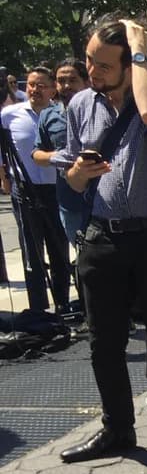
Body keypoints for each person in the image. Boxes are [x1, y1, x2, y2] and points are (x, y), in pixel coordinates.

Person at [55, 16, 147, 474]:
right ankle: (117, 427)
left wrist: (139, 50)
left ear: (130, 65)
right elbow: (71, 179)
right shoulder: (79, 105)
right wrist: (80, 174)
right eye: (90, 61)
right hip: (102, 237)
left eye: (103, 64)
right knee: (103, 343)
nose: (92, 70)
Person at [1, 66, 74, 314]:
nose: (35, 90)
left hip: (57, 189)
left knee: (59, 248)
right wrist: (5, 179)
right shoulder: (10, 115)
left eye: (41, 85)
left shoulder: (61, 114)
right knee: (32, 252)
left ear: (53, 89)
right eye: (31, 84)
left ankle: (63, 302)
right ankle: (39, 308)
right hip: (25, 190)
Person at [32, 59, 92, 247]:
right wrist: (58, 157)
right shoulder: (48, 116)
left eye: (72, 80)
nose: (66, 86)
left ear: (86, 82)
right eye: (61, 81)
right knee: (82, 256)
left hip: (104, 201)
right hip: (70, 201)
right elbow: (36, 154)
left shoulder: (102, 110)